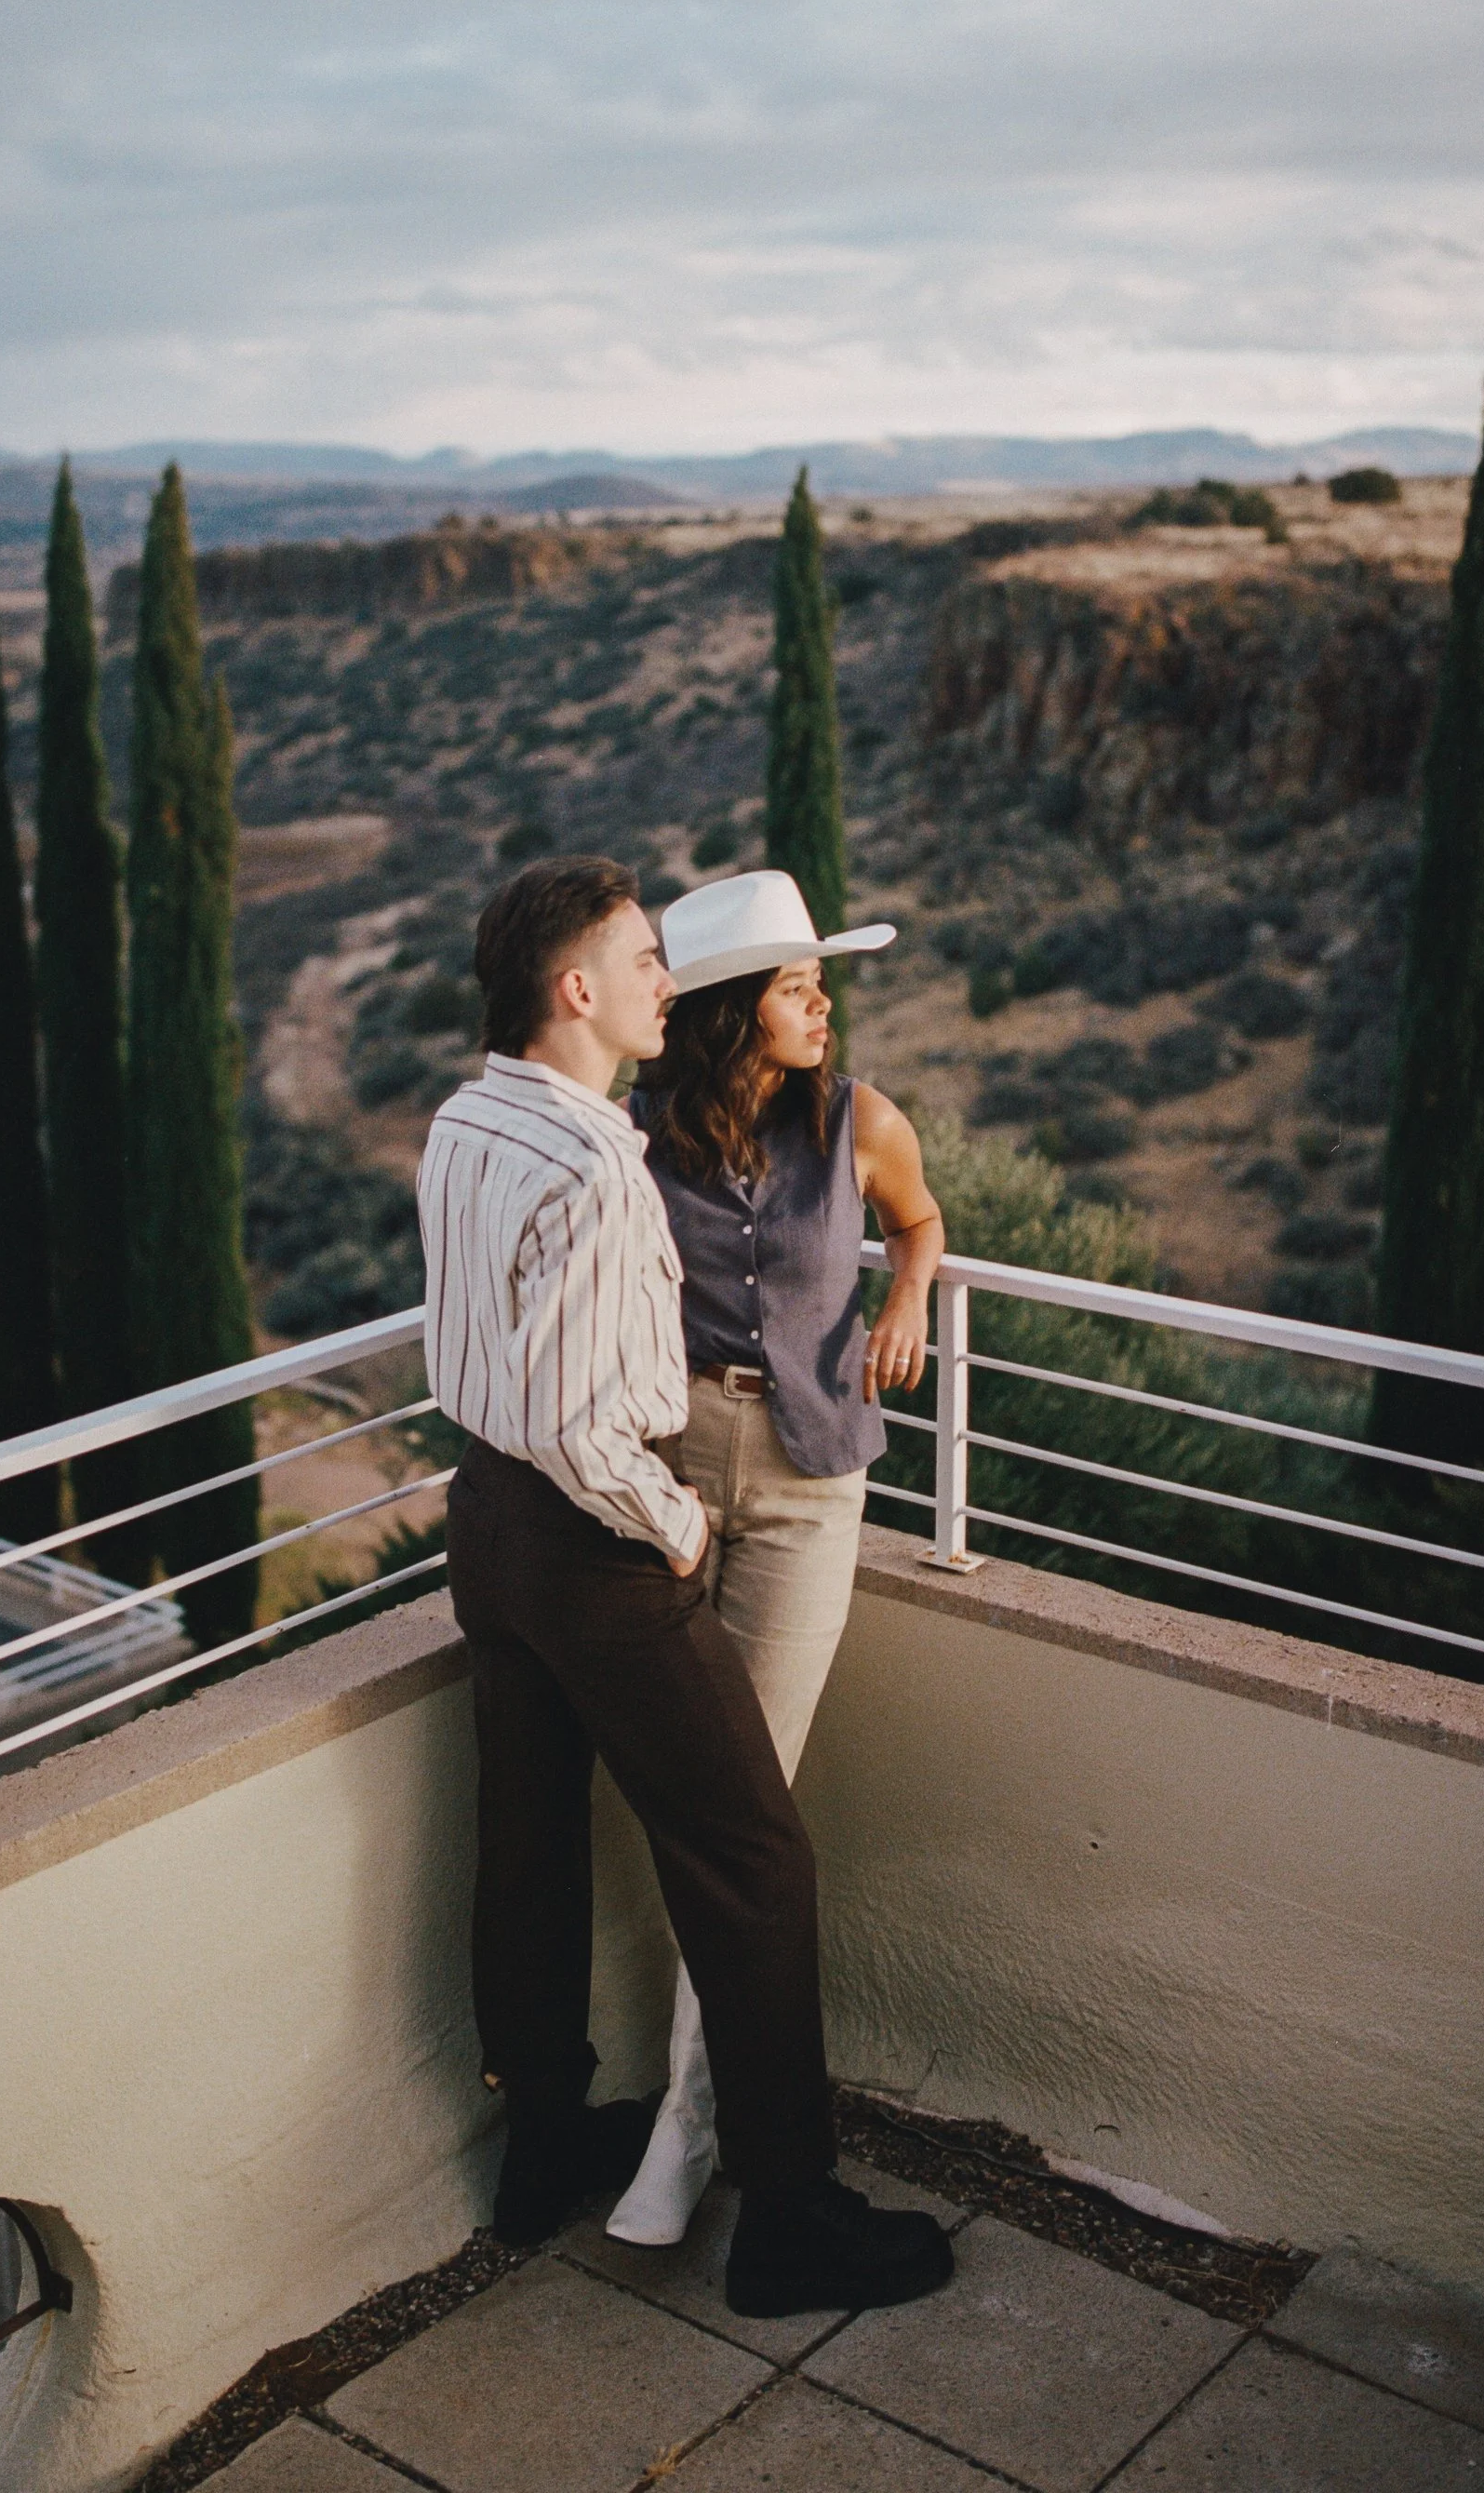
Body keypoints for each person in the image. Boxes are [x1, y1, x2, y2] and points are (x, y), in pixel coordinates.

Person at [418, 854, 952, 2316]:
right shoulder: (602, 1159)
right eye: (643, 958)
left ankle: (540, 2150)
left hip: (490, 1524)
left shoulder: (466, 1120)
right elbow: (594, 1428)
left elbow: (493, 1359)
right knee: (757, 1859)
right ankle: (789, 2216)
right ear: (580, 990)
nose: (661, 978)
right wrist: (674, 1528)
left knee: (528, 1829)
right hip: (599, 1540)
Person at [604, 867, 944, 2247]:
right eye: (801, 986)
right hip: (667, 1484)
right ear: (737, 1013)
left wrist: (909, 1301)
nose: (825, 1005)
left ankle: (684, 2130)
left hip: (810, 1493)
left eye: (820, 982)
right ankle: (698, 2123)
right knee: (698, 1809)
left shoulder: (862, 1120)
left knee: (745, 1815)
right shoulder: (632, 1142)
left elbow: (920, 1221)